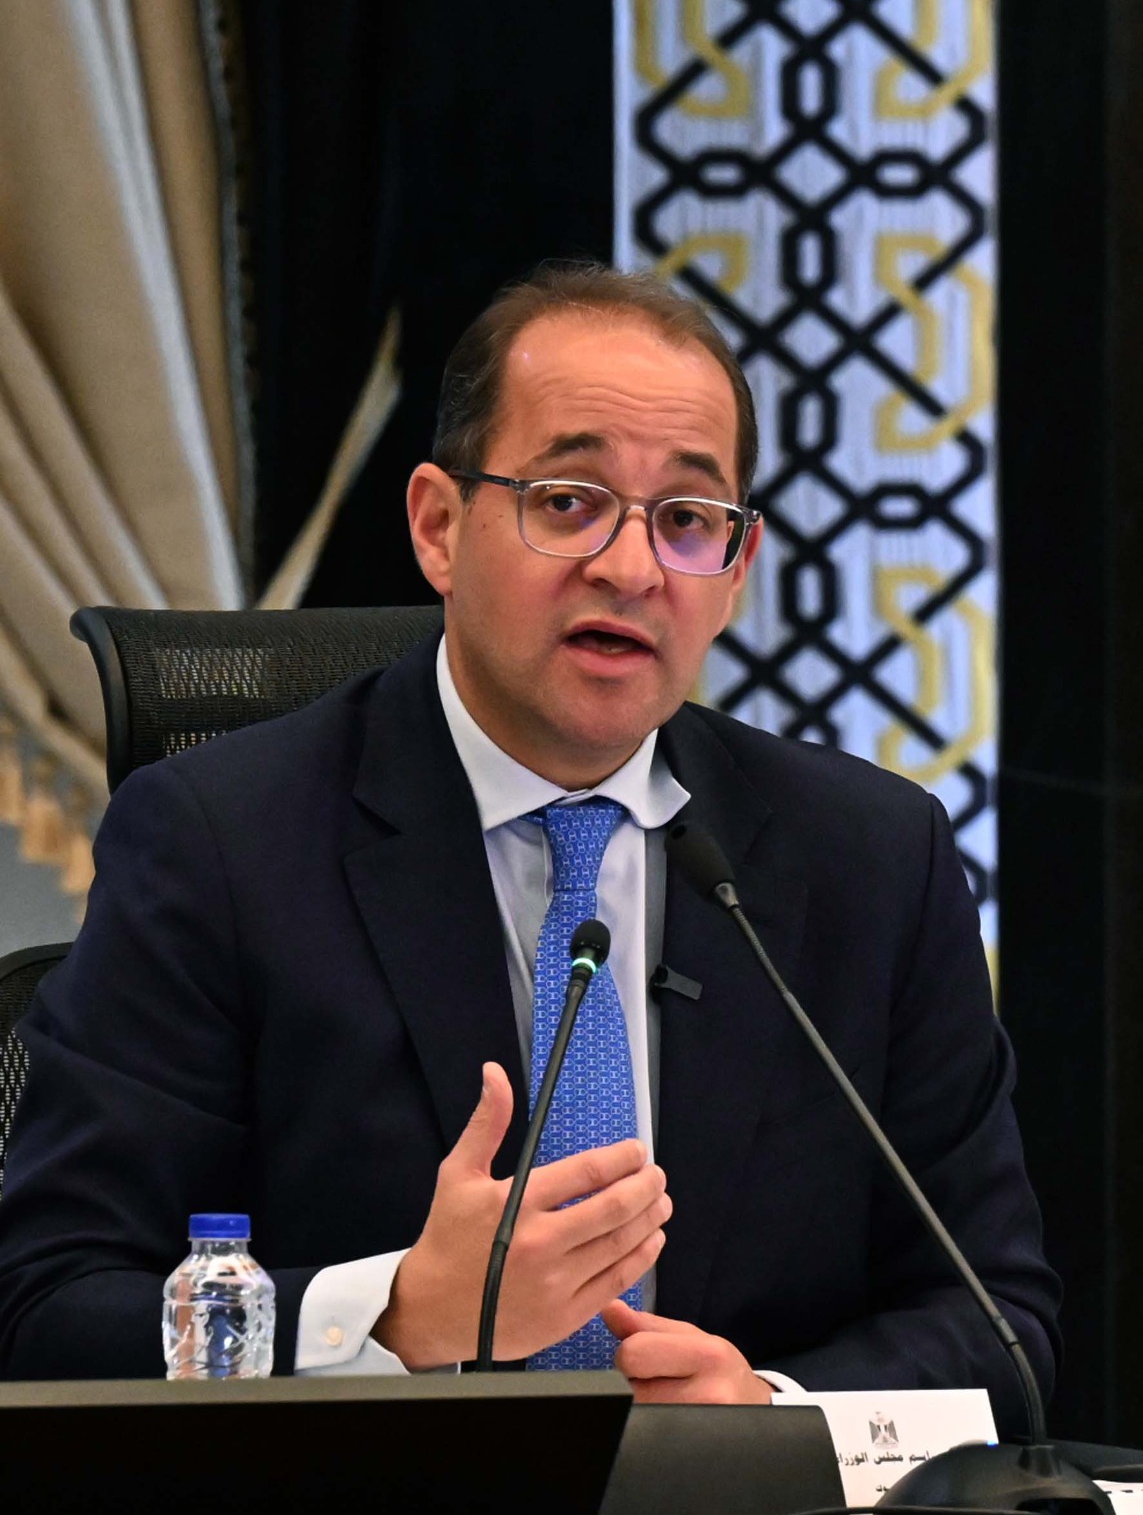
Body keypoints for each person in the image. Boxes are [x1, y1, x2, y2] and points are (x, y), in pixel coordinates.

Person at [0, 265, 1059, 1430]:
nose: (630, 567)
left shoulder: (875, 859)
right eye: (568, 501)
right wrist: (392, 1313)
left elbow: (997, 1319)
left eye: (688, 520)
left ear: (736, 572)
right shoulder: (218, 844)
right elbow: (46, 1307)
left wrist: (772, 1411)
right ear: (439, 527)